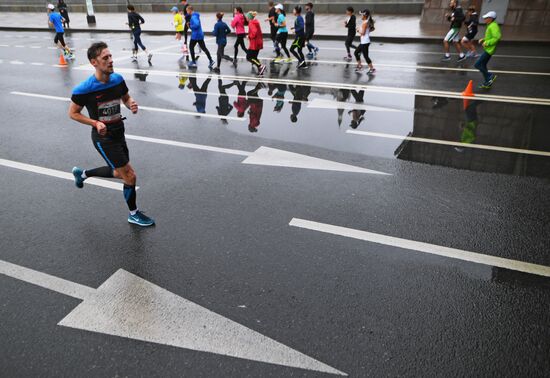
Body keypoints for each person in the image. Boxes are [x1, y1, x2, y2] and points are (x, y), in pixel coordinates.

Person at [69, 42, 154, 226]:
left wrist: (131, 103)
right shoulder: (85, 89)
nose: (111, 60)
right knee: (130, 175)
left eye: (110, 56)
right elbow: (73, 113)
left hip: (118, 132)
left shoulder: (117, 79)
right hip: (103, 138)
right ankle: (133, 213)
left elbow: (125, 97)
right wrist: (95, 122)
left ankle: (82, 174)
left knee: (119, 172)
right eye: (105, 58)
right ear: (94, 62)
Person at [475, 11, 501, 89]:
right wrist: (483, 39)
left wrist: (487, 43)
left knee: (477, 64)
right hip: (489, 49)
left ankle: (490, 76)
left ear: (490, 18)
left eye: (486, 18)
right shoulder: (491, 25)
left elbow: (497, 37)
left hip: (489, 50)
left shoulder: (493, 26)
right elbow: (491, 36)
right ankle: (488, 82)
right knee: (483, 65)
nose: (485, 19)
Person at [354, 9, 375, 74]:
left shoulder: (365, 23)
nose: (361, 16)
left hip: (365, 42)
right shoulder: (367, 22)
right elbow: (373, 29)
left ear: (365, 15)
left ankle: (372, 69)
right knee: (356, 52)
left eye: (362, 15)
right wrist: (367, 32)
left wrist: (358, 30)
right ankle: (360, 66)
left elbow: (362, 33)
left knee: (365, 56)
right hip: (364, 41)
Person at [246, 12, 267, 76]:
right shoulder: (255, 22)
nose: (246, 18)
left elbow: (254, 32)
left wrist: (249, 36)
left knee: (249, 57)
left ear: (249, 18)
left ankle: (260, 66)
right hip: (258, 42)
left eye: (246, 17)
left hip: (254, 43)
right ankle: (260, 70)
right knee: (254, 57)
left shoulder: (251, 23)